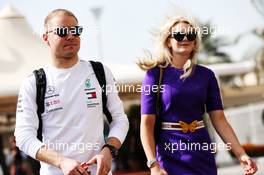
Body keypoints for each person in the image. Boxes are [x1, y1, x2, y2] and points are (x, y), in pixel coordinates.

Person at [138, 15, 258, 175]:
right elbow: (146, 124)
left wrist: (241, 154)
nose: (185, 38)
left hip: (202, 152)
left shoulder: (207, 75)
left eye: (191, 35)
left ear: (195, 42)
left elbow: (220, 120)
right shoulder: (153, 75)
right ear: (168, 41)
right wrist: (153, 165)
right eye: (179, 35)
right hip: (170, 154)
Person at [15, 9, 129, 175]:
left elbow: (120, 120)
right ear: (46, 38)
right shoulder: (34, 82)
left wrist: (108, 150)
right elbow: (24, 136)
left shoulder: (100, 72)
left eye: (75, 31)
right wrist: (61, 162)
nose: (70, 36)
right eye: (62, 32)